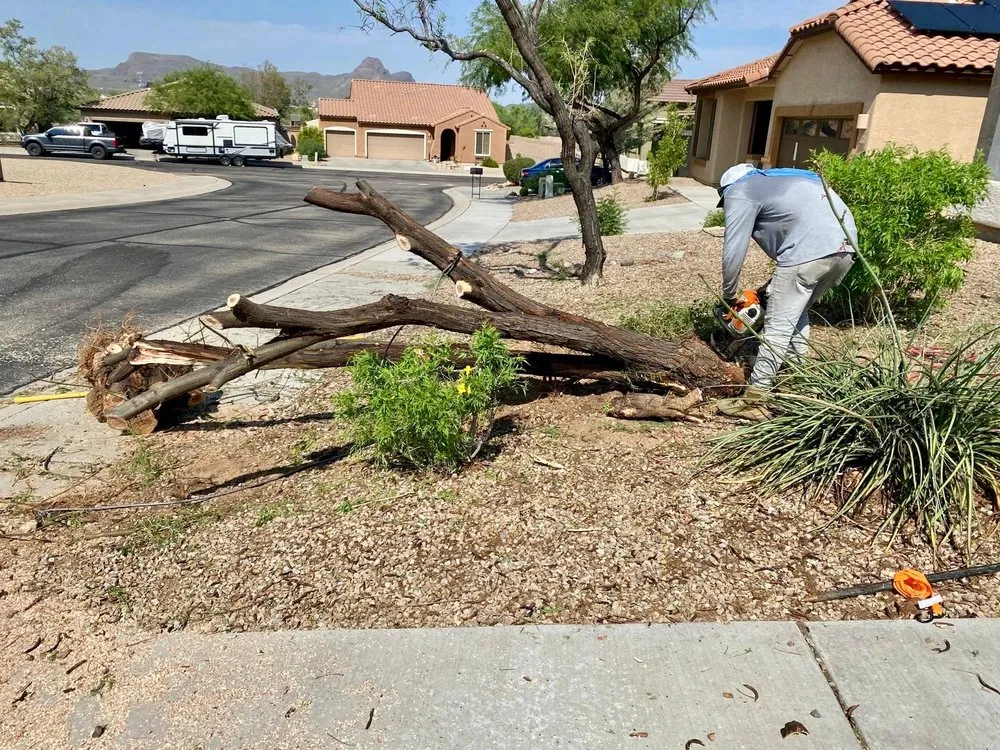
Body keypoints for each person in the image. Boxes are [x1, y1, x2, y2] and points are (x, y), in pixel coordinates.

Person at [713, 163, 858, 421]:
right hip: (846, 249)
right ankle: (794, 383)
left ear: (726, 190)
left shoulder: (740, 190)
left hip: (807, 252)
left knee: (777, 326)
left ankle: (755, 398)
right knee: (797, 312)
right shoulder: (781, 179)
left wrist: (729, 296)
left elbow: (733, 250)